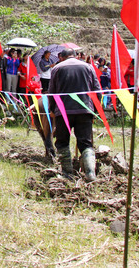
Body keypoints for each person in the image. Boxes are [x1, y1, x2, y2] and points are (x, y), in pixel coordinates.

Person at [46, 48, 101, 182]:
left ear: (62, 57)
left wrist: (52, 109)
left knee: (62, 142)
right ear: (75, 56)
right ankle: (90, 174)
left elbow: (51, 92)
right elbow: (97, 90)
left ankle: (67, 173)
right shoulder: (88, 67)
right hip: (85, 110)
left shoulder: (57, 69)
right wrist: (95, 110)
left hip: (63, 112)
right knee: (86, 143)